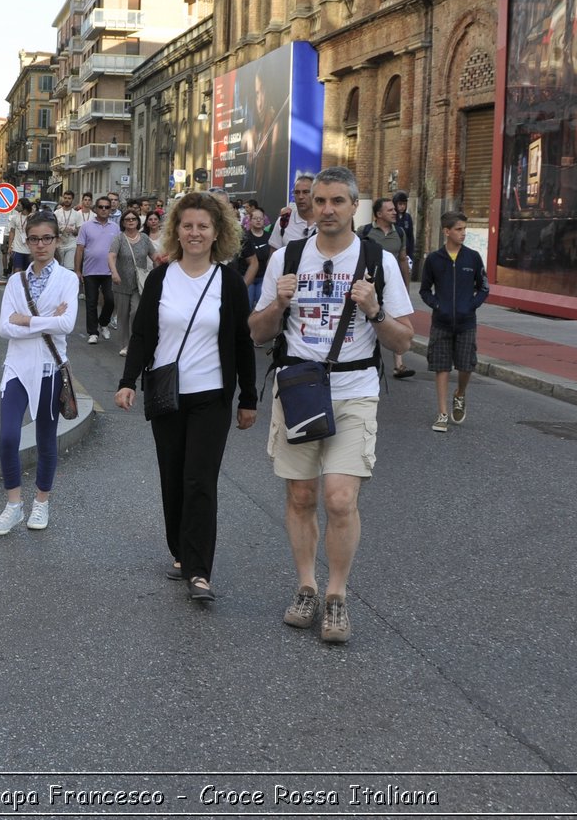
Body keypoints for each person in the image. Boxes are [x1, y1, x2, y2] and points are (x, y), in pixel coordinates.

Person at [249, 166, 415, 643]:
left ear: (353, 206)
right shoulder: (288, 257)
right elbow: (257, 333)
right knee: (301, 496)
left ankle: (337, 595)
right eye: (319, 201)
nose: (326, 210)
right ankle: (306, 585)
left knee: (340, 499)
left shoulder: (376, 262)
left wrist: (374, 310)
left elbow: (403, 337)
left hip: (354, 389)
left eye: (337, 201)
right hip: (298, 388)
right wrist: (277, 306)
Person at [115, 191, 257, 601]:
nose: (195, 233)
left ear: (218, 234)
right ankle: (180, 550)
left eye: (203, 227)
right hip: (168, 395)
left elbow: (242, 342)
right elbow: (143, 335)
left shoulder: (228, 281)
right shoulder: (161, 277)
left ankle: (199, 571)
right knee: (173, 478)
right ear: (177, 230)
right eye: (188, 225)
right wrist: (128, 381)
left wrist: (247, 398)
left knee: (200, 480)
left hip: (211, 395)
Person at [0, 210, 77, 535]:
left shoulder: (68, 280)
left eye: (47, 238)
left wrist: (24, 320)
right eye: (35, 238)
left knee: (45, 438)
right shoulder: (16, 280)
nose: (40, 245)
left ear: (57, 240)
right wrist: (44, 321)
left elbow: (66, 325)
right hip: (16, 367)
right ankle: (13, 505)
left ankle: (41, 501)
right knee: (9, 436)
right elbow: (3, 328)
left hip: (49, 368)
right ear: (27, 240)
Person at [420, 210, 489, 432]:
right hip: (441, 322)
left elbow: (484, 287)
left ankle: (459, 393)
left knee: (466, 364)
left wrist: (471, 305)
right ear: (446, 231)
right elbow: (424, 290)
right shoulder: (433, 259)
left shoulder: (473, 257)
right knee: (441, 367)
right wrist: (437, 305)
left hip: (466, 321)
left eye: (464, 229)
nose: (463, 233)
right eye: (459, 229)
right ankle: (441, 413)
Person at [360, 197, 415, 378]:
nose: (394, 212)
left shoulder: (399, 232)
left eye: (394, 209)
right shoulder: (365, 231)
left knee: (397, 321)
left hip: (390, 284)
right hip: (370, 285)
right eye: (390, 210)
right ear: (378, 214)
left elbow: (402, 259)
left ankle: (399, 365)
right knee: (374, 319)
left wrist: (405, 286)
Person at [107, 209, 157, 358]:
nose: (130, 221)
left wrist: (160, 271)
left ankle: (135, 342)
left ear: (137, 221)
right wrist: (114, 272)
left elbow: (155, 257)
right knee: (122, 315)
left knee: (135, 312)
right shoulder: (119, 239)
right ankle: (125, 344)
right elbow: (111, 256)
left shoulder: (145, 239)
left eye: (133, 219)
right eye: (127, 219)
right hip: (121, 283)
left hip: (139, 284)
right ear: (123, 222)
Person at [74, 193, 119, 343]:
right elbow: (80, 249)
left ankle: (104, 323)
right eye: (101, 207)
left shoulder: (115, 227)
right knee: (91, 302)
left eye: (107, 207)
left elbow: (119, 249)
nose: (104, 209)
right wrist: (77, 270)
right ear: (96, 209)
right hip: (90, 271)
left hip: (109, 271)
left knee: (110, 300)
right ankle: (93, 333)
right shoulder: (86, 226)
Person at [267, 173, 317, 250]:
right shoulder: (284, 221)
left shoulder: (325, 221)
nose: (300, 197)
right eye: (296, 192)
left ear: (315, 194)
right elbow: (273, 256)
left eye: (306, 192)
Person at [54, 190, 84, 271]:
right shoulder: (56, 213)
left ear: (72, 200)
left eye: (69, 198)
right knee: (58, 268)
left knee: (69, 269)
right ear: (63, 198)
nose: (67, 200)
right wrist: (61, 230)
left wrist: (73, 231)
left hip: (71, 244)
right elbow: (53, 229)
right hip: (59, 244)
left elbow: (79, 231)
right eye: (65, 198)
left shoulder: (77, 214)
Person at [393, 190, 416, 277]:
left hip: (406, 250)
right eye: (400, 204)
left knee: (405, 275)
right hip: (395, 249)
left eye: (404, 204)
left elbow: (410, 236)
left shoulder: (407, 217)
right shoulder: (393, 216)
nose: (402, 207)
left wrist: (411, 253)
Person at [6, 198, 32, 275]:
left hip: (29, 250)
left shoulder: (32, 217)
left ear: (24, 206)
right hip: (17, 249)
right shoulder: (15, 218)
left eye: (19, 205)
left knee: (27, 272)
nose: (16, 206)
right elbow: (12, 232)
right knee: (17, 270)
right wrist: (10, 246)